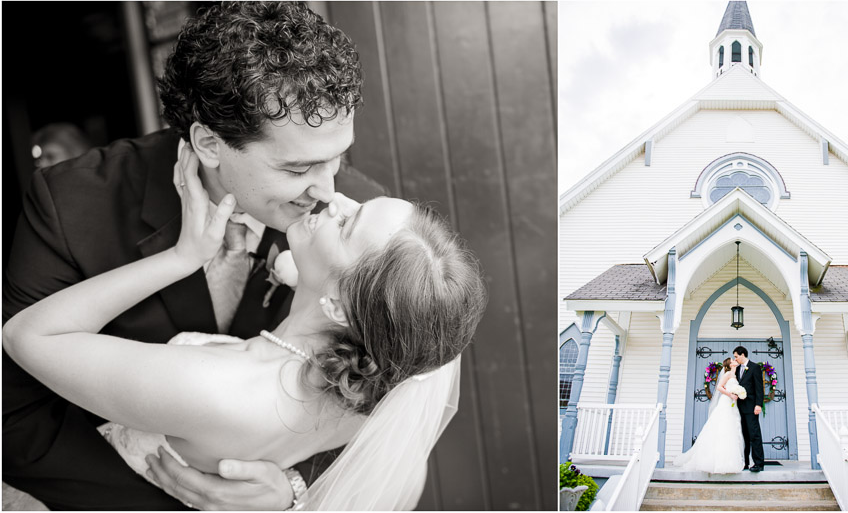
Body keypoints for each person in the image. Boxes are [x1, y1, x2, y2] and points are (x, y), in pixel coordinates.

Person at [3, 3, 388, 509]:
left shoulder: (352, 227)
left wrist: (294, 487)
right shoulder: (72, 204)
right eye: (297, 169)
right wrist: (185, 501)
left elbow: (389, 404)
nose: (328, 190)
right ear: (208, 142)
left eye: (337, 157)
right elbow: (16, 418)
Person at [3, 144, 487, 510]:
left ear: (340, 307)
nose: (337, 197)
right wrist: (295, 490)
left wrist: (181, 259)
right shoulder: (369, 382)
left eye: (348, 224)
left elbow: (27, 336)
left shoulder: (212, 386)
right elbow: (406, 470)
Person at [673, 357, 744, 473]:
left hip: (732, 404)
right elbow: (719, 387)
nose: (735, 361)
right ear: (730, 364)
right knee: (722, 428)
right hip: (726, 402)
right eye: (733, 360)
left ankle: (730, 460)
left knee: (731, 429)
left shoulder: (735, 376)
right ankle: (717, 461)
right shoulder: (727, 374)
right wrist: (730, 395)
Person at [733, 346, 765, 472]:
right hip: (739, 408)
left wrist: (758, 404)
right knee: (744, 436)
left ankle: (758, 463)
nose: (735, 358)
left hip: (751, 407)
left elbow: (759, 388)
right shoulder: (736, 370)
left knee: (754, 435)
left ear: (742, 355)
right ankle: (745, 463)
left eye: (736, 356)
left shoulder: (754, 367)